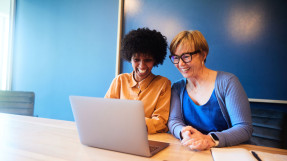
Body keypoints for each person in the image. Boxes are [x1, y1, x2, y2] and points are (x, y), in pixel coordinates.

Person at [168, 30, 253, 151]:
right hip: (196, 151)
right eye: (176, 58)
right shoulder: (177, 88)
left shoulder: (228, 82)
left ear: (203, 54)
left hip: (230, 151)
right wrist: (184, 133)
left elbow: (244, 128)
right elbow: (174, 121)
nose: (180, 63)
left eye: (186, 56)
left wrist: (209, 139)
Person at [105, 28, 171, 134]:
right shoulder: (120, 80)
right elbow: (105, 111)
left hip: (148, 139)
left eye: (148, 60)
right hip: (117, 134)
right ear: (130, 59)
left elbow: (161, 122)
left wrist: (131, 123)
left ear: (155, 60)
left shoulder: (163, 84)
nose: (142, 65)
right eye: (136, 60)